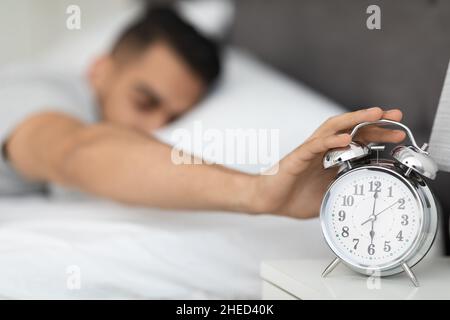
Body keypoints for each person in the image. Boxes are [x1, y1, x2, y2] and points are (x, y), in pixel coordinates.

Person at [0, 6, 406, 219]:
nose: (155, 127)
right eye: (145, 101)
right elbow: (74, 151)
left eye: (174, 117)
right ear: (99, 70)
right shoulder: (39, 94)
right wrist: (256, 191)